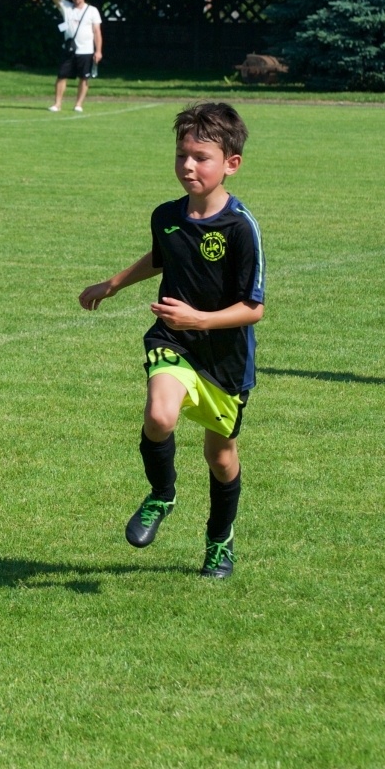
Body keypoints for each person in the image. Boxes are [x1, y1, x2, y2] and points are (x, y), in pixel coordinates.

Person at [78, 103, 264, 579]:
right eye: (182, 154)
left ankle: (219, 542)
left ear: (231, 164)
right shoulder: (166, 215)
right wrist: (114, 284)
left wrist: (198, 318)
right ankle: (161, 494)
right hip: (171, 340)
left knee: (220, 458)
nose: (188, 165)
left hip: (224, 357)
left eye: (201, 157)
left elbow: (254, 308)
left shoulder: (241, 227)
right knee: (160, 415)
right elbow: (163, 257)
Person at [50, 0, 102, 113]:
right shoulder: (67, 7)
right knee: (62, 76)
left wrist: (98, 50)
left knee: (84, 78)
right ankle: (57, 104)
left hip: (86, 50)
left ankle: (78, 104)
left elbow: (97, 32)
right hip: (69, 49)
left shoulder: (92, 10)